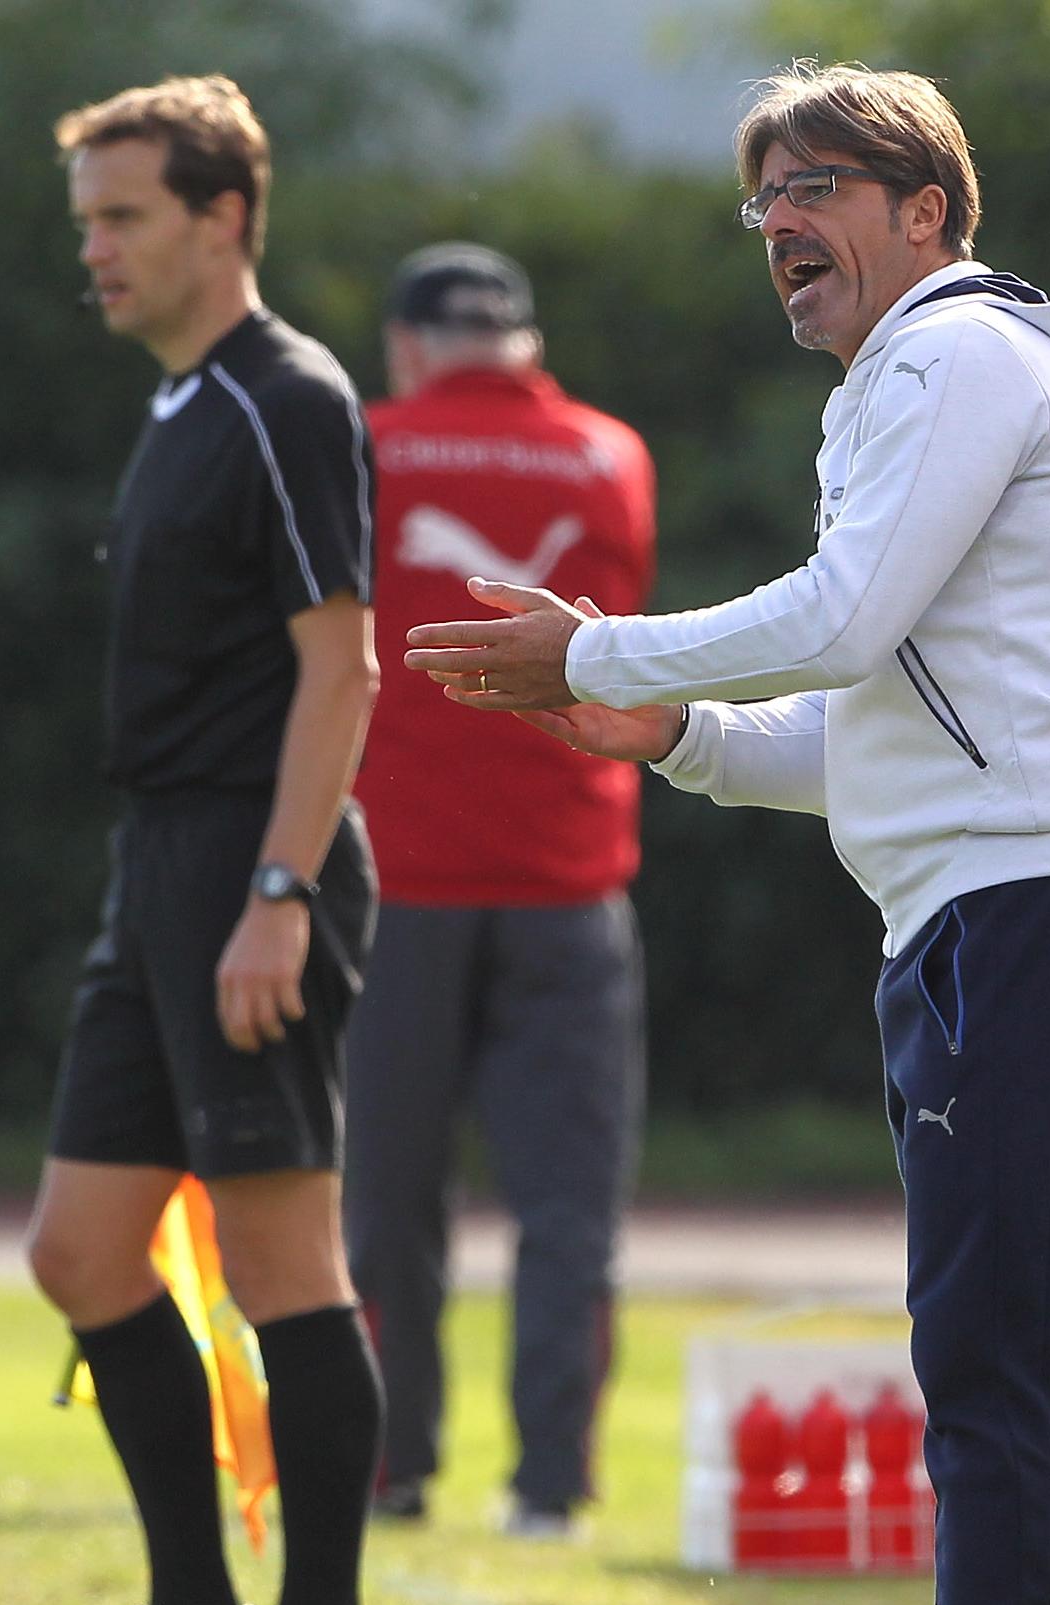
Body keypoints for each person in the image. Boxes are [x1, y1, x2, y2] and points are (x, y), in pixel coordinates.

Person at [406, 61, 1050, 1605]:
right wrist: (671, 730)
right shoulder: (932, 377)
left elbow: (844, 621)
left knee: (998, 1365)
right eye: (759, 198)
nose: (777, 224)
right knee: (1041, 1367)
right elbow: (882, 725)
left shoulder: (951, 358)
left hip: (1038, 911)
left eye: (817, 185)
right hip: (1011, 908)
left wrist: (597, 648)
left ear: (930, 212)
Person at [21, 75, 386, 1605]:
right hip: (158, 864)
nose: (93, 249)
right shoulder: (177, 403)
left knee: (280, 1260)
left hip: (253, 862)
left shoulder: (281, 395)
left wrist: (278, 891)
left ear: (222, 218)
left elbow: (342, 667)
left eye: (123, 216)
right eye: (85, 218)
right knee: (83, 1247)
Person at [345, 246, 658, 1538]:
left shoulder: (362, 448)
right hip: (567, 879)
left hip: (393, 882)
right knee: (568, 1200)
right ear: (524, 344)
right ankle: (548, 1488)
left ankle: (386, 1468)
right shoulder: (610, 454)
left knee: (385, 1197)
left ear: (410, 347)